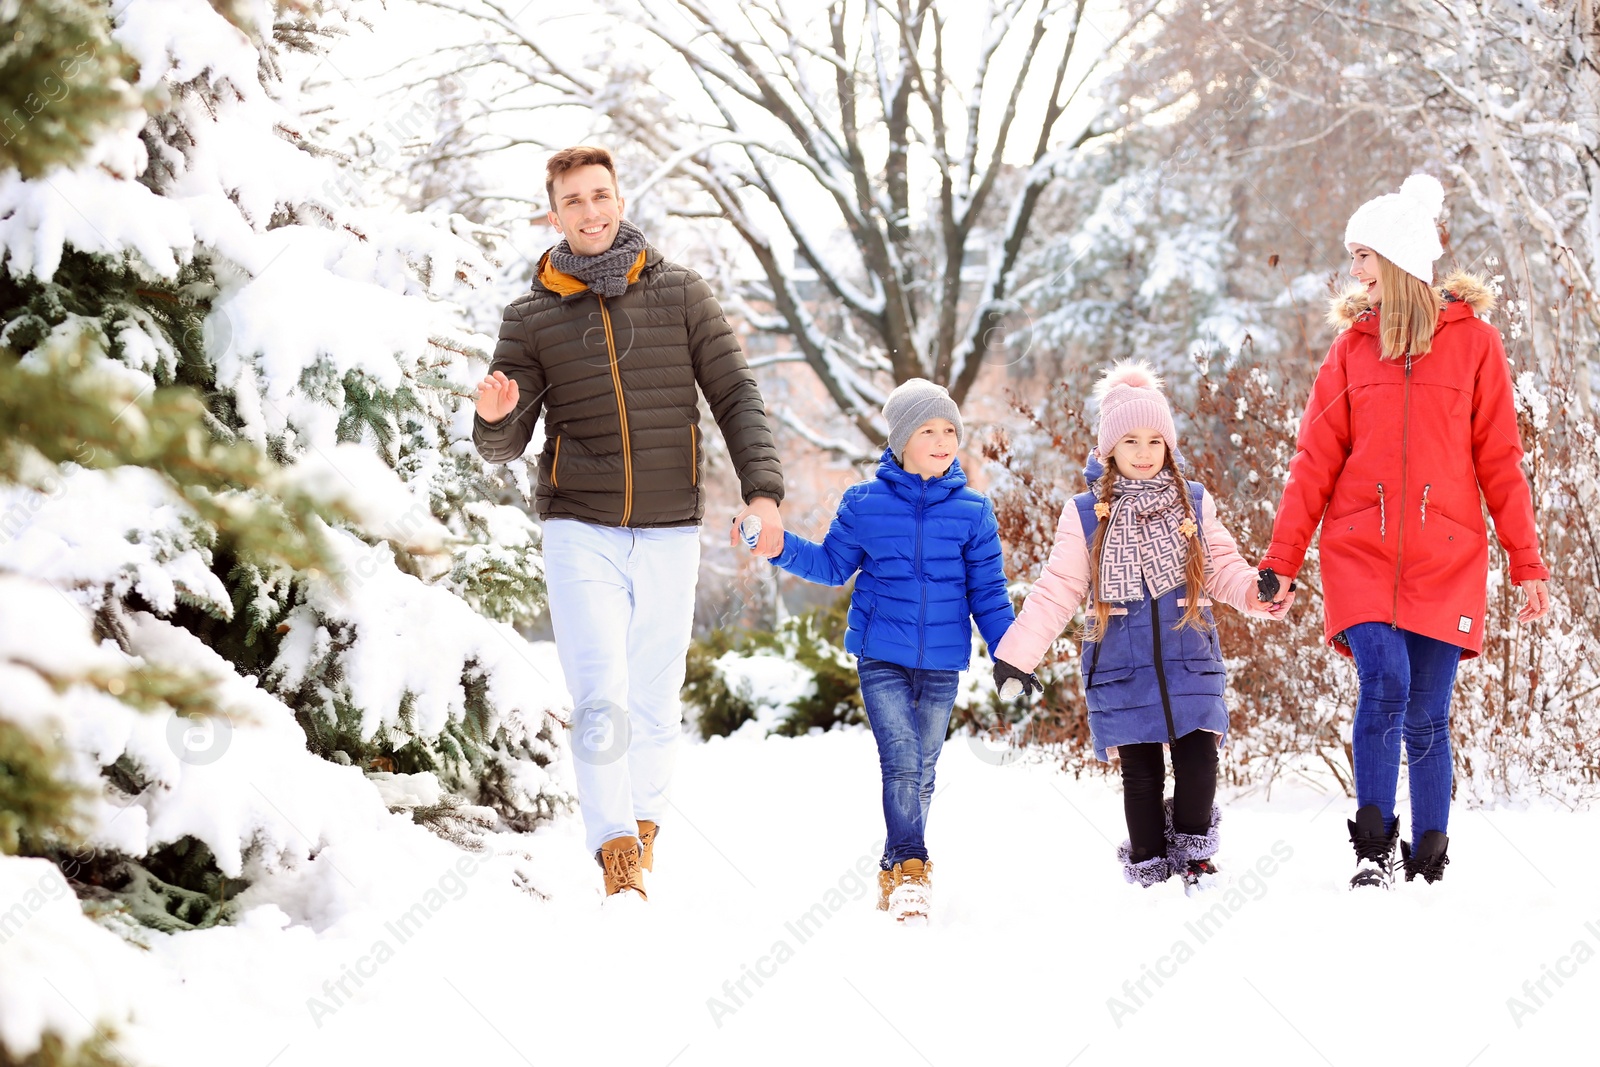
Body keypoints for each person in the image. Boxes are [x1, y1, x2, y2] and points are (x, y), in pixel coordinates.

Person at [472, 145, 785, 903]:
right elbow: (506, 441)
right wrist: (494, 419)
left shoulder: (681, 294)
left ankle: (644, 825)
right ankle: (613, 847)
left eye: (600, 195)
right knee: (598, 695)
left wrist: (763, 490)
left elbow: (736, 394)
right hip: (580, 525)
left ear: (619, 198)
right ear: (554, 214)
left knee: (654, 693)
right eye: (573, 200)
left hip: (670, 523)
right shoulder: (532, 316)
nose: (590, 211)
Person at [1258, 174, 1551, 889]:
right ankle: (1371, 848)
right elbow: (1313, 460)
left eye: (1363, 256)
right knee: (1384, 683)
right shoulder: (1351, 352)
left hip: (1446, 553)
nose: (1354, 271)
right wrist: (1281, 560)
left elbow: (1501, 461)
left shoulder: (1477, 347)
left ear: (1399, 260)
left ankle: (1428, 861)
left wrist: (1528, 562)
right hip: (1360, 548)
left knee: (1427, 712)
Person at [992, 362, 1286, 894]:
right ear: (1109, 447)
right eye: (1131, 439)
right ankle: (1149, 867)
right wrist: (1017, 655)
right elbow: (1057, 587)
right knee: (1142, 776)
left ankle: (1195, 855)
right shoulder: (1086, 515)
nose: (1145, 451)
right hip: (1119, 664)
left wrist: (1254, 592)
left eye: (1156, 439)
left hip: (1190, 655)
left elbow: (1221, 567)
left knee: (1199, 763)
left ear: (1169, 445)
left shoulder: (1193, 503)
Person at [761, 379, 1013, 925]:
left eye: (950, 430)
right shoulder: (864, 503)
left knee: (922, 769)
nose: (943, 440)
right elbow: (831, 565)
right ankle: (913, 870)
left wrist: (1009, 652)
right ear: (902, 440)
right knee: (900, 757)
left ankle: (892, 866)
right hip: (881, 655)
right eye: (928, 430)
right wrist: (777, 545)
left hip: (944, 660)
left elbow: (989, 593)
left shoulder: (974, 512)